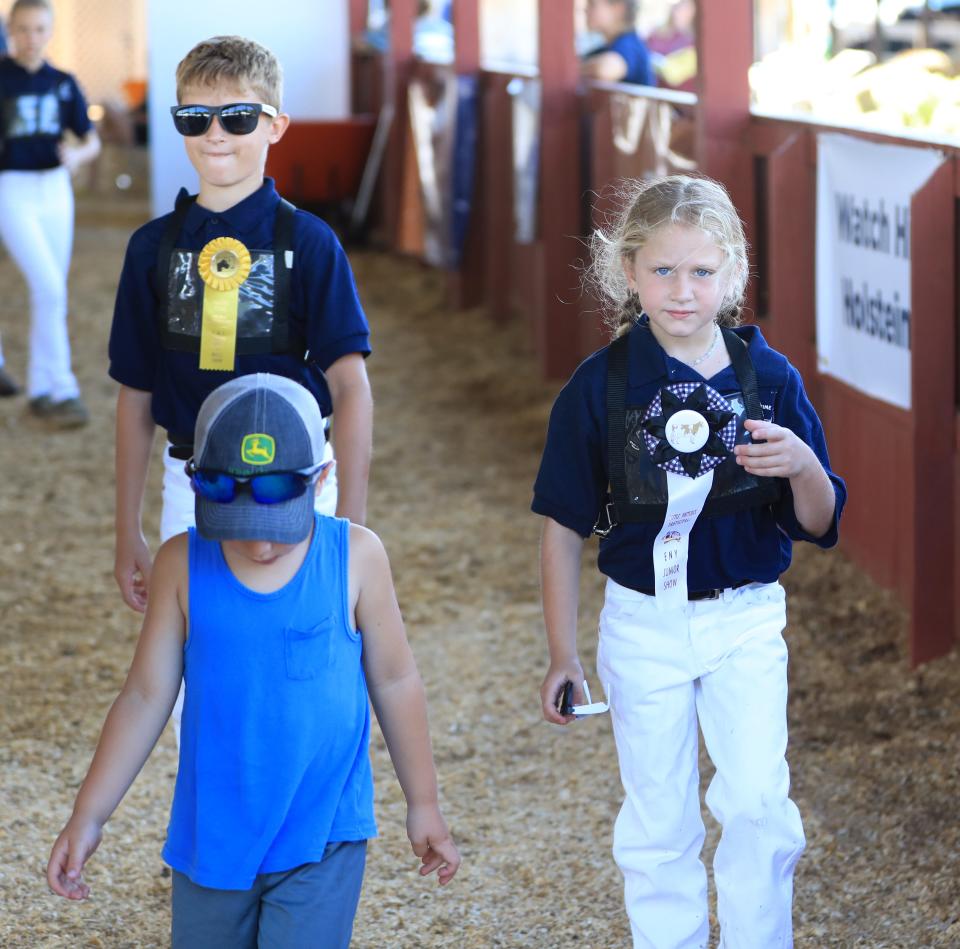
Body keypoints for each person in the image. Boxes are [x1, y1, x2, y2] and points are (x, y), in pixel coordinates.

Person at [533, 175, 845, 947]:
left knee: (755, 803)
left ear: (733, 274)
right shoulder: (597, 387)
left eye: (702, 271)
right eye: (663, 270)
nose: (682, 289)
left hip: (743, 617)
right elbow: (562, 527)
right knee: (659, 816)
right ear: (627, 272)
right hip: (642, 625)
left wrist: (803, 463)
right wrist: (563, 654)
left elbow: (821, 517)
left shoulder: (771, 382)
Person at [47, 372, 460, 948]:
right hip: (211, 834)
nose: (263, 546)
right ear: (202, 487)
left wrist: (424, 803)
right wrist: (87, 816)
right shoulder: (180, 564)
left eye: (280, 527)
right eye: (242, 528)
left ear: (320, 480)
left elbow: (394, 680)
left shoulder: (357, 557)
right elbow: (144, 697)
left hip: (322, 831)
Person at [109, 35, 373, 620]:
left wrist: (350, 525)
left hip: (297, 479)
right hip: (192, 482)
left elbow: (350, 386)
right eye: (195, 118)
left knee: (297, 639)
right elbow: (135, 394)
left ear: (275, 126)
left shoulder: (310, 243)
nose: (215, 133)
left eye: (237, 116)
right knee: (190, 659)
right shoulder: (151, 248)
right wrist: (127, 525)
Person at [0, 0, 101, 424]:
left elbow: (90, 139)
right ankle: (61, 387)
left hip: (56, 191)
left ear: (49, 32)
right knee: (49, 285)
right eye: (22, 29)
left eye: (39, 29)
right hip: (12, 188)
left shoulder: (63, 81)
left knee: (51, 291)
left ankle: (43, 387)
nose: (30, 37)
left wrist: (77, 157)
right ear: (10, 30)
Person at [581, 0, 655, 87]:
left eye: (592, 4)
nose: (585, 9)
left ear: (618, 8)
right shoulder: (606, 48)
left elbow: (605, 69)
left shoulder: (630, 44)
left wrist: (574, 69)